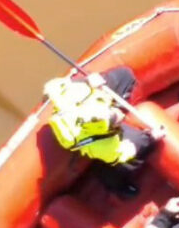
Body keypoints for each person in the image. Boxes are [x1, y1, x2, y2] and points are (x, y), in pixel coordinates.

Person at [42, 66, 166, 196]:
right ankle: (110, 179)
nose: (122, 116)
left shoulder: (72, 98)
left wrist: (87, 81)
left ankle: (118, 105)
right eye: (117, 119)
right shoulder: (102, 145)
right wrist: (151, 136)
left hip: (99, 102)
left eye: (116, 114)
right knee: (140, 146)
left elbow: (51, 87)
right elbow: (122, 153)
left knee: (124, 75)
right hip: (99, 141)